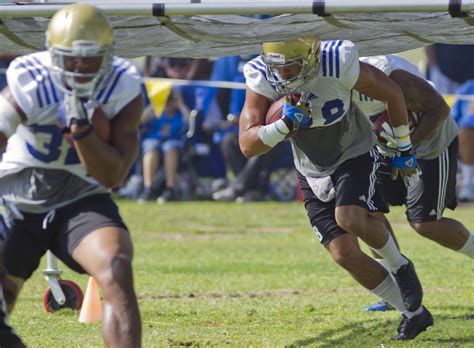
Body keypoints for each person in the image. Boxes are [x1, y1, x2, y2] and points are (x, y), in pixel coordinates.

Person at [240, 37, 432, 340]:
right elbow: (247, 145)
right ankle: (413, 314)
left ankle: (400, 265)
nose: (286, 73)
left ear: (312, 57)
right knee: (343, 253)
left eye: (292, 64)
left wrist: (404, 148)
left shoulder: (337, 62)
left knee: (350, 218)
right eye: (280, 66)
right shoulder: (262, 76)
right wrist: (281, 126)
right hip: (311, 167)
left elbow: (392, 93)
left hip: (353, 148)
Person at [0, 4, 143, 347]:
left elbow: (113, 173)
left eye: (90, 59)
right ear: (53, 54)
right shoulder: (31, 76)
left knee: (116, 266)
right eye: (71, 59)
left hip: (82, 194)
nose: (80, 68)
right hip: (18, 193)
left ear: (107, 55)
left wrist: (82, 131)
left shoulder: (122, 83)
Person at [351, 55, 474, 311]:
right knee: (366, 211)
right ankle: (397, 282)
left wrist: (409, 145)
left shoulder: (396, 78)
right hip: (382, 145)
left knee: (426, 223)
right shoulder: (332, 79)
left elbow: (440, 109)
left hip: (429, 144)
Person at [137, 89, 189, 203]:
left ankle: (170, 188)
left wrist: (180, 104)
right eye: (166, 100)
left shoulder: (179, 114)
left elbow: (189, 121)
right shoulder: (156, 111)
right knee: (151, 147)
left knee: (169, 147)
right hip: (154, 140)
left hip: (174, 142)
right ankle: (148, 188)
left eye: (170, 100)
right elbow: (141, 120)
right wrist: (156, 101)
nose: (168, 103)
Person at [451, 80, 474, 202]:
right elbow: (453, 118)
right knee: (466, 131)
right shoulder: (469, 87)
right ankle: (467, 184)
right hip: (466, 138)